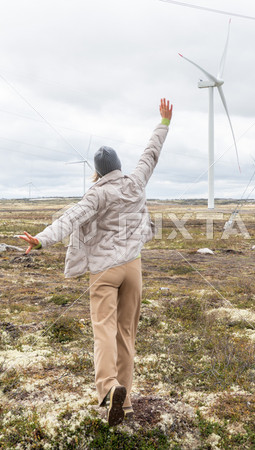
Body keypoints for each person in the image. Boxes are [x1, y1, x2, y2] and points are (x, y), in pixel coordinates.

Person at [18, 98, 173, 426]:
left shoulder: (96, 194)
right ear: (118, 166)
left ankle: (108, 387)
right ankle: (125, 403)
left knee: (103, 327)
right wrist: (163, 123)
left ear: (98, 172)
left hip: (105, 270)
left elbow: (71, 218)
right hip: (133, 267)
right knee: (126, 334)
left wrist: (42, 239)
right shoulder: (136, 181)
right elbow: (150, 154)